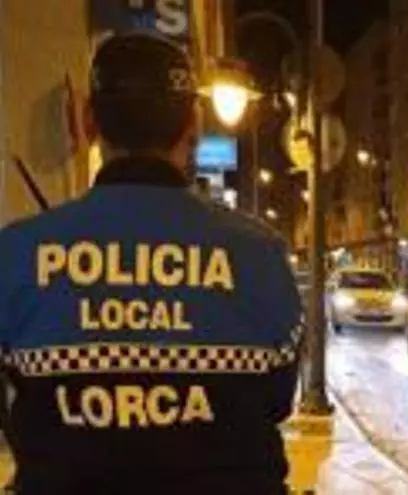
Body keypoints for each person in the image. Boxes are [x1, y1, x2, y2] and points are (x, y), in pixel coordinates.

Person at [0, 32, 302, 494]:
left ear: (87, 121)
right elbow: (278, 399)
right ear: (193, 124)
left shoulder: (17, 253)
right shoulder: (259, 253)